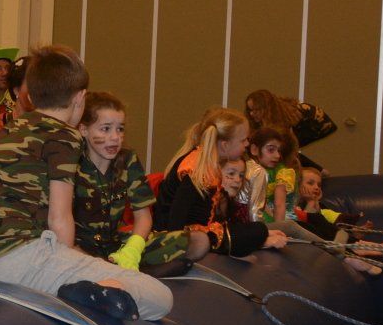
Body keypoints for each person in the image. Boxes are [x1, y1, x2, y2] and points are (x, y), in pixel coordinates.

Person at [0, 45, 173, 322]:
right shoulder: (64, 136)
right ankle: (78, 292)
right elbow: (59, 217)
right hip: (25, 261)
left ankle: (86, 289)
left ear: (30, 96)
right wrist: (65, 262)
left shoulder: (3, 133)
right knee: (160, 297)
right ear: (80, 98)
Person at [72, 91, 206, 271]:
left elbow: (143, 217)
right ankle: (127, 270)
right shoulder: (71, 164)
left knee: (199, 241)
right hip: (79, 249)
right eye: (105, 129)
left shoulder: (128, 160)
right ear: (84, 130)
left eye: (120, 129)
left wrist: (133, 249)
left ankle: (124, 265)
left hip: (115, 245)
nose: (115, 137)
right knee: (70, 254)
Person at [156, 108, 284, 257]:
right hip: (182, 234)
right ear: (225, 145)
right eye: (243, 140)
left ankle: (257, 239)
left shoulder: (209, 164)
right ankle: (258, 242)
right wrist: (174, 246)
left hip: (202, 228)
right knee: (257, 231)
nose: (247, 144)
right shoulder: (196, 167)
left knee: (257, 229)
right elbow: (177, 213)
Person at [244, 88, 336, 167]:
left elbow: (290, 153)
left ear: (265, 109)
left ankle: (321, 170)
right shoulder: (259, 124)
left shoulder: (282, 120)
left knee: (285, 152)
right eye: (250, 110)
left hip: (317, 125)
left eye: (256, 110)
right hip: (307, 122)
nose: (252, 114)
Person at [246, 126, 302, 226]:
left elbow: (279, 205)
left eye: (279, 151)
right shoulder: (248, 168)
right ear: (254, 149)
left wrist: (279, 229)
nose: (277, 155)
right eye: (271, 150)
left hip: (283, 219)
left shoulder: (282, 172)